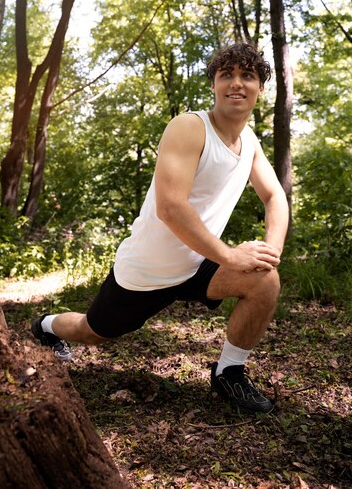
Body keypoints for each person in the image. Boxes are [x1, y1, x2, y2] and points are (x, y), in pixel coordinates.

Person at [31, 42, 289, 414]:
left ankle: (229, 372)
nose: (237, 83)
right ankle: (46, 326)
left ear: (260, 88)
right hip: (148, 269)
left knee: (265, 280)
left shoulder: (249, 143)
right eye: (226, 75)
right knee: (94, 332)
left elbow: (275, 197)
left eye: (247, 75)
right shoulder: (189, 127)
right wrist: (231, 255)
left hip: (200, 262)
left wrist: (271, 250)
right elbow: (170, 207)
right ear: (213, 85)